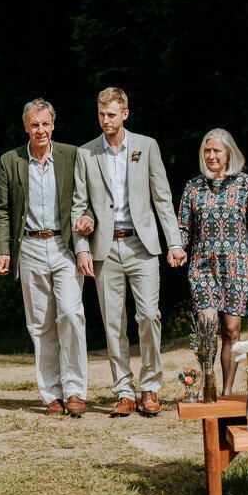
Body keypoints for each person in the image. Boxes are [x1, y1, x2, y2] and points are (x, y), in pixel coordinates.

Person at [72, 87, 185, 417]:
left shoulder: (146, 146)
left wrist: (174, 242)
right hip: (105, 248)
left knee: (149, 315)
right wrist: (82, 247)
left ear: (125, 113)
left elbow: (162, 199)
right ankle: (124, 390)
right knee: (112, 324)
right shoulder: (86, 153)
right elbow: (80, 206)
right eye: (101, 115)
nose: (105, 121)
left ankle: (150, 386)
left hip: (143, 245)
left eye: (111, 114)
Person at [0, 99, 87, 416]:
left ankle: (75, 390)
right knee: (41, 325)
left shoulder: (71, 155)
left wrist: (88, 221)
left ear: (53, 125)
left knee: (72, 315)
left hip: (64, 247)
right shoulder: (11, 161)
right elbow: (3, 211)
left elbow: (84, 199)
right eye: (35, 124)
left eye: (45, 123)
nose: (41, 130)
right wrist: (3, 250)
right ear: (26, 127)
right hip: (30, 247)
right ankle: (53, 395)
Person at [177, 129, 248, 395]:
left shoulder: (246, 184)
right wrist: (178, 248)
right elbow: (183, 228)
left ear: (229, 153)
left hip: (238, 266)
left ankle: (227, 392)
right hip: (203, 266)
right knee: (208, 329)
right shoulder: (193, 187)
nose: (211, 156)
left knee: (231, 330)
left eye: (217, 151)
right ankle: (208, 385)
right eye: (207, 151)